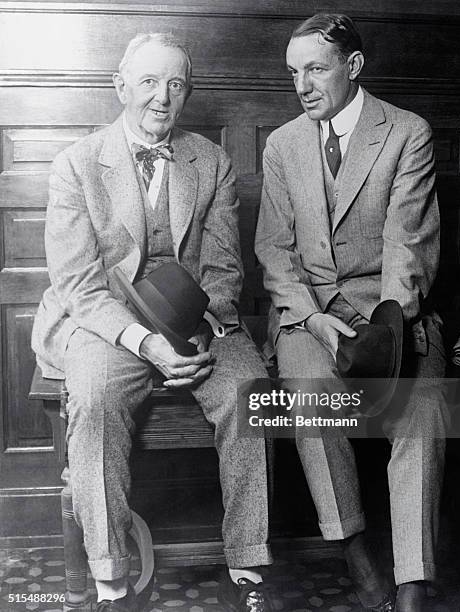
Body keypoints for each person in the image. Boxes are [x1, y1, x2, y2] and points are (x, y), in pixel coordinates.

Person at [32, 33, 274, 612]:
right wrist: (145, 341)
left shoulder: (210, 161)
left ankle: (248, 565)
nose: (162, 97)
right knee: (90, 398)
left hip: (196, 322)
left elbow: (222, 268)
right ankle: (112, 579)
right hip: (109, 324)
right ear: (121, 88)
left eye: (176, 84)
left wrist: (195, 328)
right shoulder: (76, 164)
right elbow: (79, 285)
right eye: (148, 83)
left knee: (251, 393)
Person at [255, 13, 448, 612]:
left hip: (392, 311)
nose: (303, 85)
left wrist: (384, 333)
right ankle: (359, 561)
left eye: (315, 68)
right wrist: (313, 320)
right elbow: (274, 252)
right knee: (312, 396)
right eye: (294, 72)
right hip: (310, 313)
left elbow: (407, 245)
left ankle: (412, 585)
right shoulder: (282, 144)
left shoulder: (405, 133)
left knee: (424, 409)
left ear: (353, 66)